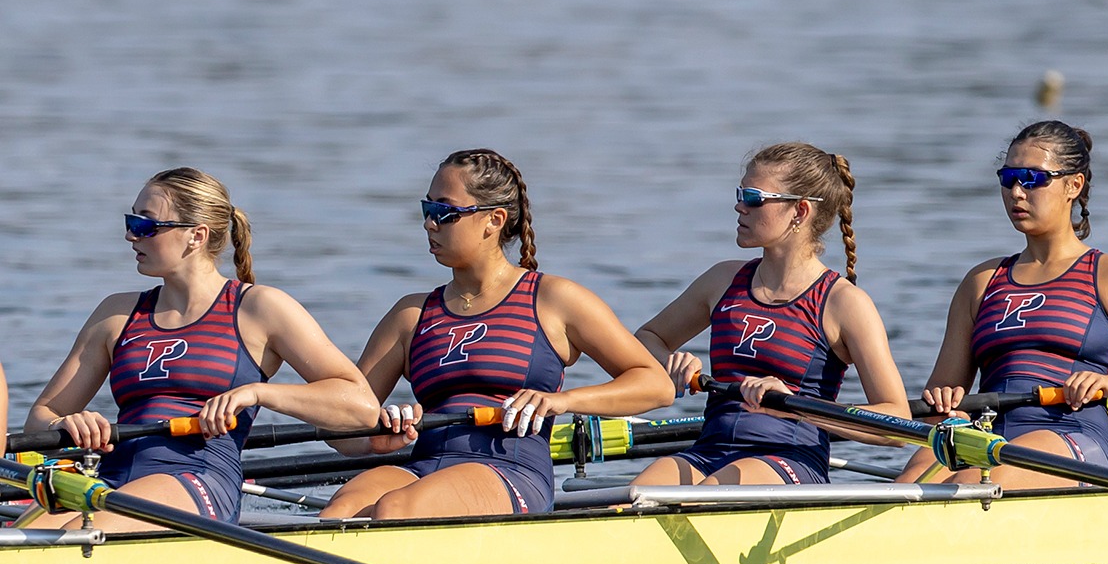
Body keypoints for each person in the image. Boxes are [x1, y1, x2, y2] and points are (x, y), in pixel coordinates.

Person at [321, 149, 674, 518]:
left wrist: (563, 401)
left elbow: (656, 385)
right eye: (427, 210)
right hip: (421, 468)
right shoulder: (410, 315)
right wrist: (374, 438)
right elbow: (340, 423)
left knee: (397, 507)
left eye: (445, 212)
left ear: (493, 220)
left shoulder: (554, 300)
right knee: (339, 511)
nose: (430, 223)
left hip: (509, 474)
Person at [26, 168, 375, 529]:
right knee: (21, 546)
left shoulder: (260, 308)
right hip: (109, 479)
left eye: (145, 225)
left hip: (198, 481)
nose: (131, 235)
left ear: (196, 235)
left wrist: (258, 393)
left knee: (82, 534)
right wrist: (66, 423)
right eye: (130, 221)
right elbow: (41, 416)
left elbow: (360, 408)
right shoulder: (116, 313)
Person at [901, 120, 1108, 488]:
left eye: (1032, 179)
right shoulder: (981, 282)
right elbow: (941, 400)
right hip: (987, 436)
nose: (1016, 192)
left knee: (969, 482)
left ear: (1073, 185)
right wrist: (944, 400)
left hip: (1071, 437)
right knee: (910, 481)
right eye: (1008, 177)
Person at [632, 143, 908, 485]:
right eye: (740, 193)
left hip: (788, 460)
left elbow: (896, 422)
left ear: (800, 211)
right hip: (709, 451)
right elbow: (646, 339)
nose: (738, 206)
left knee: (708, 494)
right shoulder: (722, 280)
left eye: (752, 197)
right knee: (634, 498)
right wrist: (672, 362)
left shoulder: (844, 303)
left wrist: (795, 404)